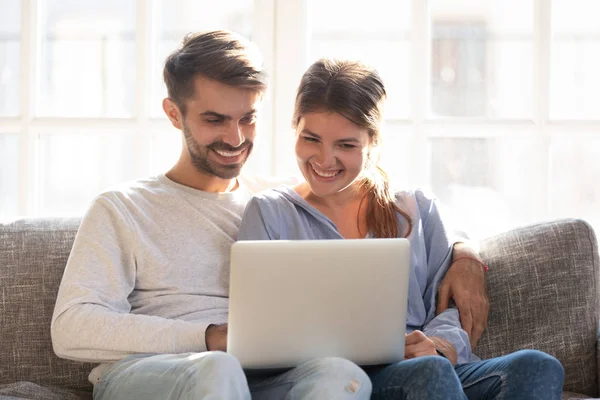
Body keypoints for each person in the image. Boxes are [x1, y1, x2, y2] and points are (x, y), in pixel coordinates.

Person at [51, 30, 487, 400]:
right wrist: (206, 337)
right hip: (152, 372)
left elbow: (390, 206)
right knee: (216, 369)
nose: (235, 137)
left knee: (339, 374)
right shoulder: (123, 208)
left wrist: (466, 254)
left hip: (257, 375)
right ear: (173, 113)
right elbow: (71, 327)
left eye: (248, 118)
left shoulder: (278, 201)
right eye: (214, 120)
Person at [237, 58, 565, 400]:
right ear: (295, 130)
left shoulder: (414, 210)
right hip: (331, 380)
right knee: (430, 375)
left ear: (373, 142)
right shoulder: (269, 212)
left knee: (539, 365)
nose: (324, 159)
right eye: (311, 139)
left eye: (346, 145)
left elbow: (446, 306)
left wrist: (439, 346)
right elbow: (258, 332)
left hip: (422, 366)